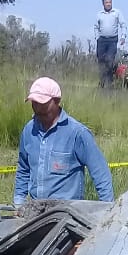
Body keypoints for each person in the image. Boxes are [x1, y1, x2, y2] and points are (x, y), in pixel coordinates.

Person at [13, 77, 114, 205]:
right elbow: (23, 169)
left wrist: (108, 210)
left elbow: (100, 173)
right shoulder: (29, 131)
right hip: (35, 213)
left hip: (68, 215)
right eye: (34, 102)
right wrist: (18, 202)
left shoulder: (77, 133)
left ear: (57, 101)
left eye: (42, 103)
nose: (37, 108)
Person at [94, 0, 126, 87]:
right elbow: (96, 27)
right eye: (106, 2)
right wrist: (97, 38)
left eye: (110, 2)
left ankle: (109, 81)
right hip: (102, 40)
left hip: (112, 40)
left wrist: (123, 36)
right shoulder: (99, 14)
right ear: (103, 4)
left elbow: (123, 25)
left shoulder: (117, 13)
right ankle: (102, 82)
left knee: (109, 59)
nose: (108, 4)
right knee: (101, 61)